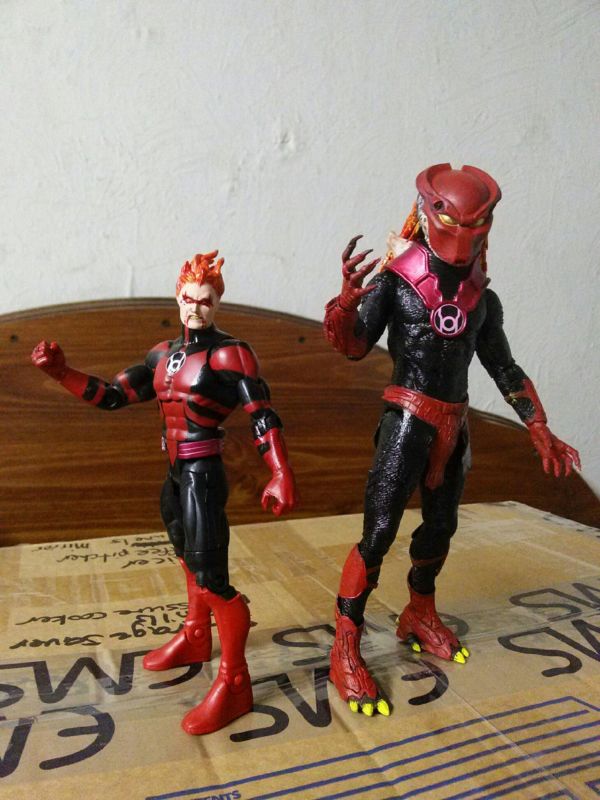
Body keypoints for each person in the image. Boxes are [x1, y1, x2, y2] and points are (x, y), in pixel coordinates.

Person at [323, 164, 580, 717]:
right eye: (453, 222)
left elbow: (504, 367)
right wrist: (345, 302)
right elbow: (352, 347)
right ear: (427, 214)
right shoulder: (395, 281)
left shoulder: (481, 299)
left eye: (475, 225)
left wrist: (538, 426)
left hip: (454, 425)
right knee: (379, 532)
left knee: (440, 526)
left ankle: (419, 610)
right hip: (407, 417)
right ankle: (345, 642)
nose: (463, 236)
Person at [31, 250, 298, 734]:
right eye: (189, 299)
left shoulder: (230, 354)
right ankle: (196, 635)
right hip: (174, 473)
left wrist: (280, 471)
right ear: (177, 298)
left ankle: (235, 681)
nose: (196, 308)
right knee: (185, 558)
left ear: (217, 302)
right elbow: (113, 396)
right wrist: (61, 372)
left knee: (212, 578)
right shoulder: (161, 355)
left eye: (205, 300)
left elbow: (261, 413)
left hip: (202, 472)